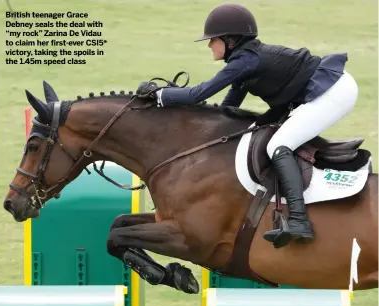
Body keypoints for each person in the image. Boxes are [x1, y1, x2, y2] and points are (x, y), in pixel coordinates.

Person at [136, 4, 358, 248]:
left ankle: (299, 221)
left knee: (279, 144)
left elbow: (198, 94)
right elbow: (226, 109)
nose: (210, 45)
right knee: (273, 137)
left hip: (333, 91)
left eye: (213, 40)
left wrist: (160, 95)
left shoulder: (246, 62)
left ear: (230, 40)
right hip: (326, 90)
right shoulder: (244, 62)